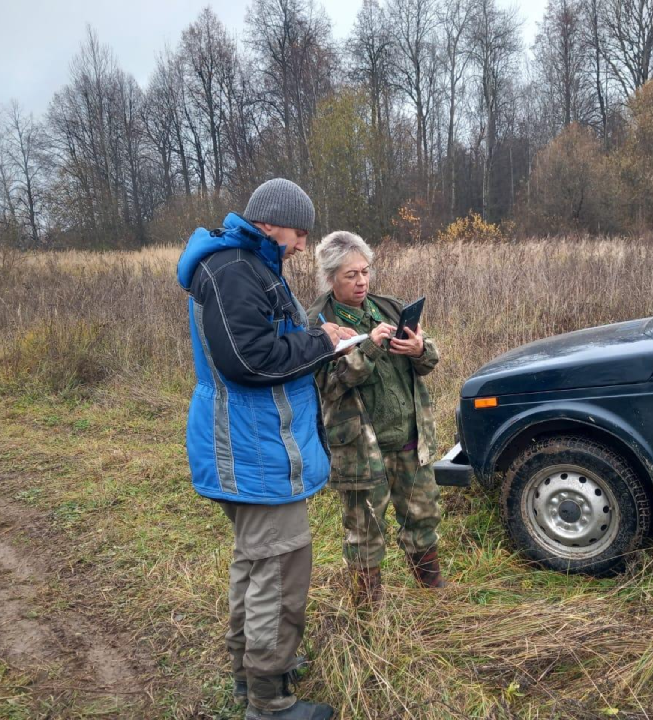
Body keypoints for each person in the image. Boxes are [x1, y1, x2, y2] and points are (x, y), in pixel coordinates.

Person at [176, 178, 352, 720]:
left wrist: (317, 333)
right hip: (252, 449)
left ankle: (247, 674)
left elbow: (268, 338)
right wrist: (322, 343)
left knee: (256, 566)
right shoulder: (233, 270)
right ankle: (270, 703)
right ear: (271, 223)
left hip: (256, 447)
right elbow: (249, 360)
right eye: (299, 232)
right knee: (279, 571)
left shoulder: (249, 266)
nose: (303, 244)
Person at [307, 231, 445, 604]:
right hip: (359, 449)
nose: (361, 281)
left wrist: (418, 348)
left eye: (365, 271)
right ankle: (368, 611)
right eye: (351, 275)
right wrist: (368, 347)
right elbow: (329, 385)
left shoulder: (388, 307)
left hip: (408, 439)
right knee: (364, 531)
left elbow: (430, 360)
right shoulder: (318, 324)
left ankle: (432, 596)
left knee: (423, 516)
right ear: (331, 277)